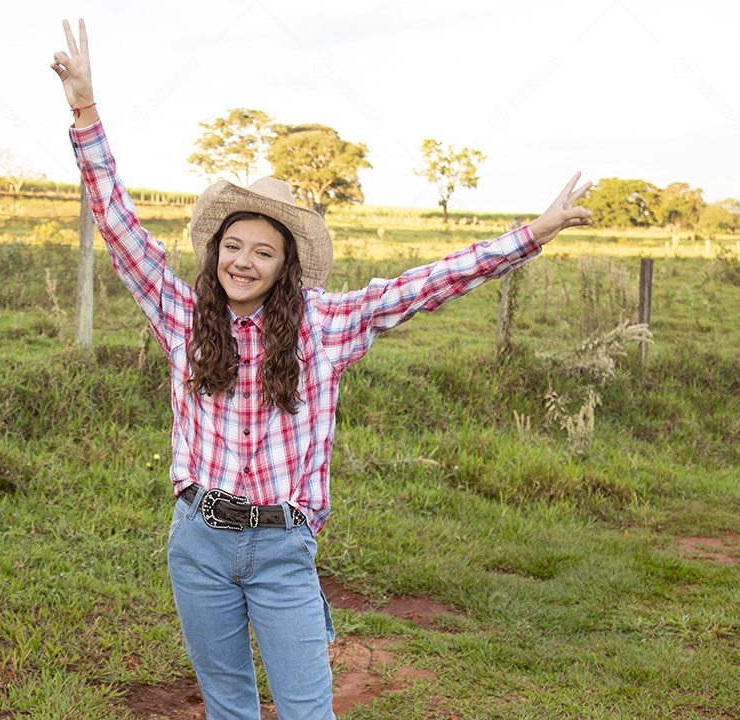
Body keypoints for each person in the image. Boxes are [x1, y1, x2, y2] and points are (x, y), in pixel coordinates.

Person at [52, 18, 592, 720]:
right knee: (228, 707)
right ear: (215, 251)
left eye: (262, 252)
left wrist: (530, 236)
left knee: (308, 712)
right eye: (232, 246)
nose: (242, 262)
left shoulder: (325, 325)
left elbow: (423, 284)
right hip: (199, 543)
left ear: (286, 266)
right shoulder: (182, 313)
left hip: (282, 549)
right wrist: (85, 109)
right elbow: (116, 219)